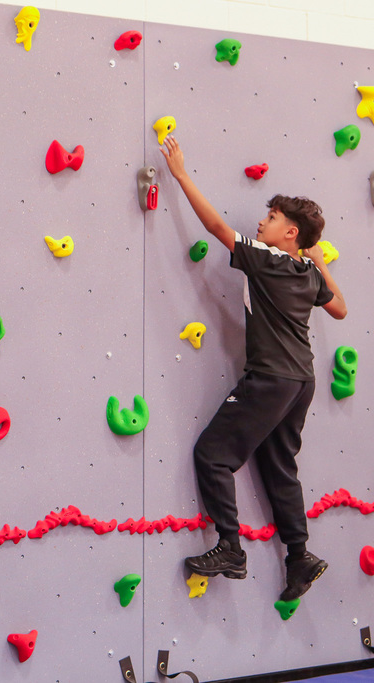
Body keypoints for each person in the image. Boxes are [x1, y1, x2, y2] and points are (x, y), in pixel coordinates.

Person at [161, 136, 347, 601]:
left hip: (271, 379)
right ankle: (299, 555)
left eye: (271, 218)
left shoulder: (265, 260)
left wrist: (182, 174)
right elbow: (340, 309)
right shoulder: (306, 273)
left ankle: (230, 546)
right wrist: (321, 264)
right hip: (301, 380)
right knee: (278, 463)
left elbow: (218, 226)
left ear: (289, 234)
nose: (261, 222)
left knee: (212, 455)